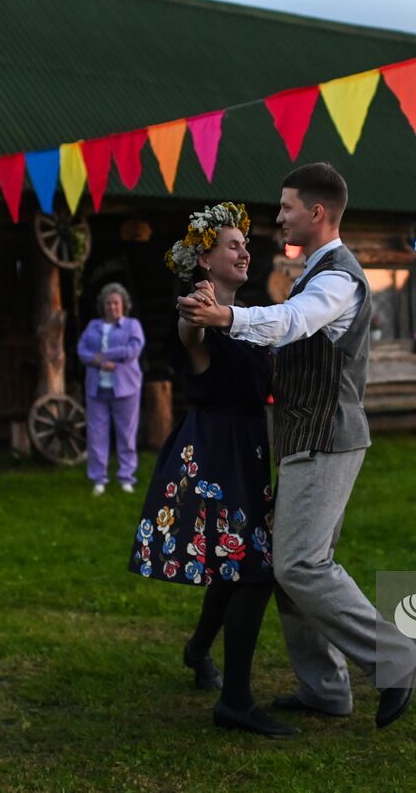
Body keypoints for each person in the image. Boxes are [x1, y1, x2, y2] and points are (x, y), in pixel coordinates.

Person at [179, 163, 416, 731]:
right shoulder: (314, 271)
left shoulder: (338, 278)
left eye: (286, 206)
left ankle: (396, 658)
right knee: (296, 567)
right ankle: (326, 689)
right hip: (302, 438)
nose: (278, 214)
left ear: (316, 213)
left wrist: (228, 316)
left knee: (298, 564)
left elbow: (291, 322)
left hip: (327, 438)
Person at [129, 202, 290, 737]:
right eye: (232, 245)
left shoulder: (251, 315)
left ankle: (198, 650)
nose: (244, 250)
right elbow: (190, 336)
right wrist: (193, 312)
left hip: (250, 449)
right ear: (205, 261)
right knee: (252, 570)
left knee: (235, 566)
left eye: (245, 244)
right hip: (213, 455)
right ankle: (236, 702)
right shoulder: (198, 308)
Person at [77, 284, 145, 496]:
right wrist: (97, 361)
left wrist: (105, 355)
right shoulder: (93, 326)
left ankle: (126, 478)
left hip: (126, 389)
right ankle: (99, 479)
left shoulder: (132, 325)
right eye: (108, 303)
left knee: (126, 435)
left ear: (123, 305)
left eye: (116, 303)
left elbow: (134, 349)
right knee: (97, 435)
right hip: (97, 389)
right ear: (102, 306)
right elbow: (82, 350)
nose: (112, 307)